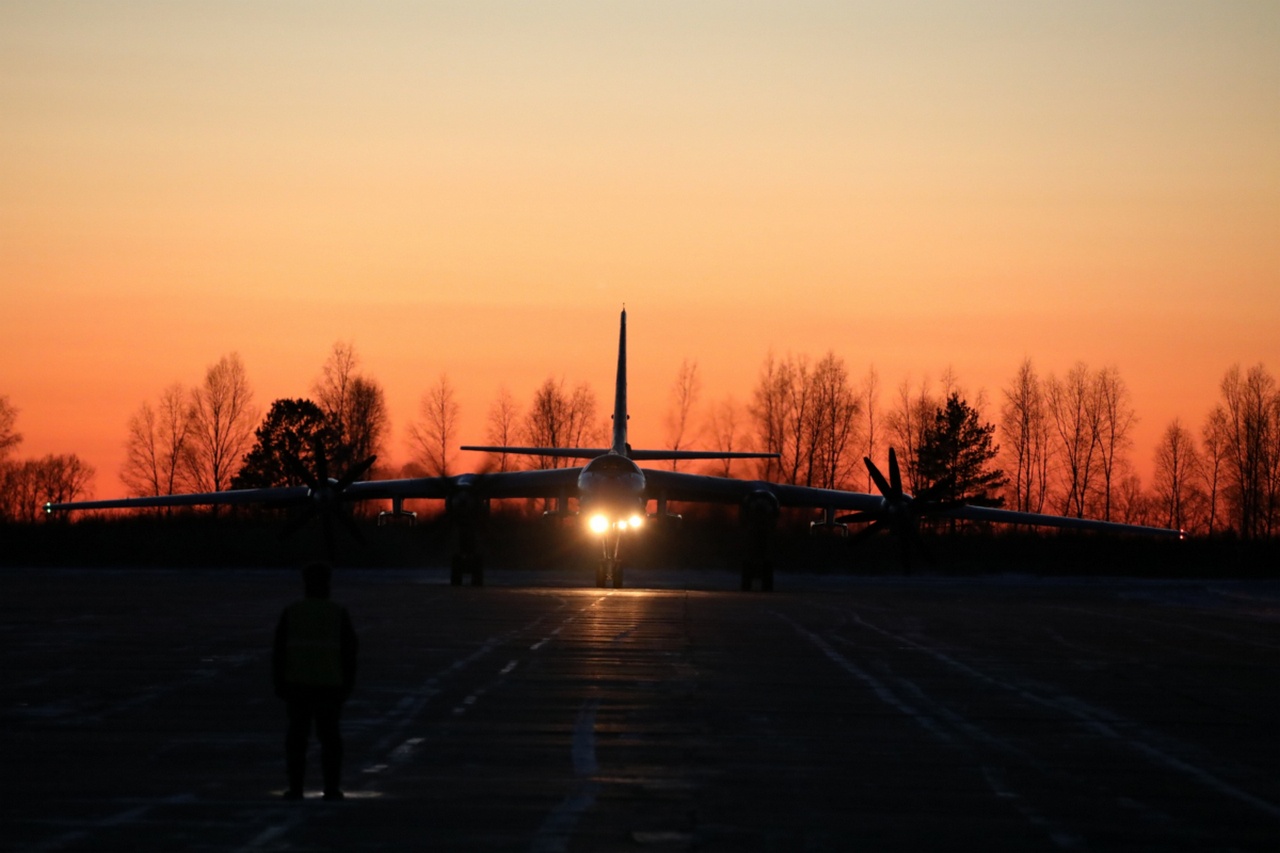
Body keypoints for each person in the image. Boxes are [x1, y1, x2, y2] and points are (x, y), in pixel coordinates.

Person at [273, 562, 358, 800]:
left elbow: (279, 651)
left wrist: (279, 683)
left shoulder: (292, 613)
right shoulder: (337, 614)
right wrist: (347, 685)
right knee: (330, 740)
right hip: (329, 687)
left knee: (297, 740)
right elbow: (350, 652)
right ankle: (331, 788)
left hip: (297, 686)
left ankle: (296, 787)